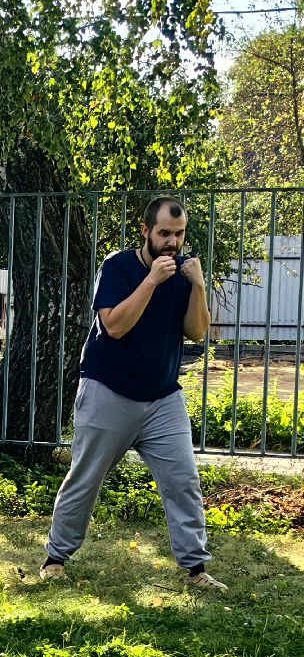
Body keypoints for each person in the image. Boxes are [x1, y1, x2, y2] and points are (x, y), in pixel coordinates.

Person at [40, 196, 224, 590]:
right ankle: (55, 558)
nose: (172, 242)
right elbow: (115, 326)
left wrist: (198, 285)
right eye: (164, 233)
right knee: (85, 478)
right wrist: (152, 280)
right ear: (146, 231)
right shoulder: (119, 267)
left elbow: (196, 331)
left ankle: (196, 569)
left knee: (183, 480)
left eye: (179, 234)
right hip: (108, 389)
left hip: (162, 398)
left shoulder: (183, 274)